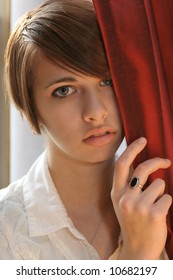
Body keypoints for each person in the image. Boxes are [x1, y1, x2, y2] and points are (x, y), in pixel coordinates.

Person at [0, 0, 172, 260]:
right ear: (32, 108)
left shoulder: (162, 197)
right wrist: (136, 256)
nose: (95, 111)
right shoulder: (6, 229)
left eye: (107, 81)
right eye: (64, 90)